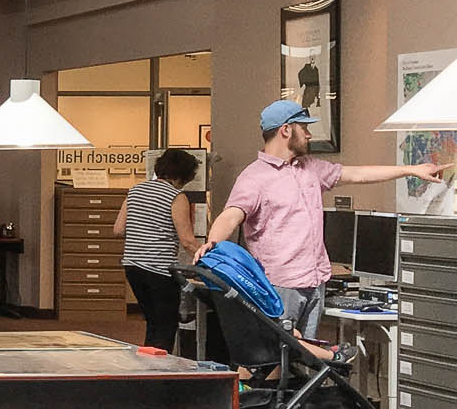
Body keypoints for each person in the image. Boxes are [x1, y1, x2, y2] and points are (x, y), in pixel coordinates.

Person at [204, 100, 443, 337]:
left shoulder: (311, 169)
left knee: (306, 359)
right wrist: (212, 246)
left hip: (315, 283)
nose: (309, 135)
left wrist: (411, 170)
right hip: (279, 285)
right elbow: (230, 216)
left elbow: (357, 174)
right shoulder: (254, 178)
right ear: (286, 130)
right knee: (271, 357)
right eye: (304, 128)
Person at [113, 148, 202, 352]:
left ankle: (147, 368)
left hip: (132, 267)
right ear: (184, 175)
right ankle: (160, 373)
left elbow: (118, 229)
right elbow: (187, 240)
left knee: (152, 321)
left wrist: (143, 231)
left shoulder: (135, 190)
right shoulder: (176, 197)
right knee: (166, 325)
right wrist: (209, 258)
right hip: (158, 269)